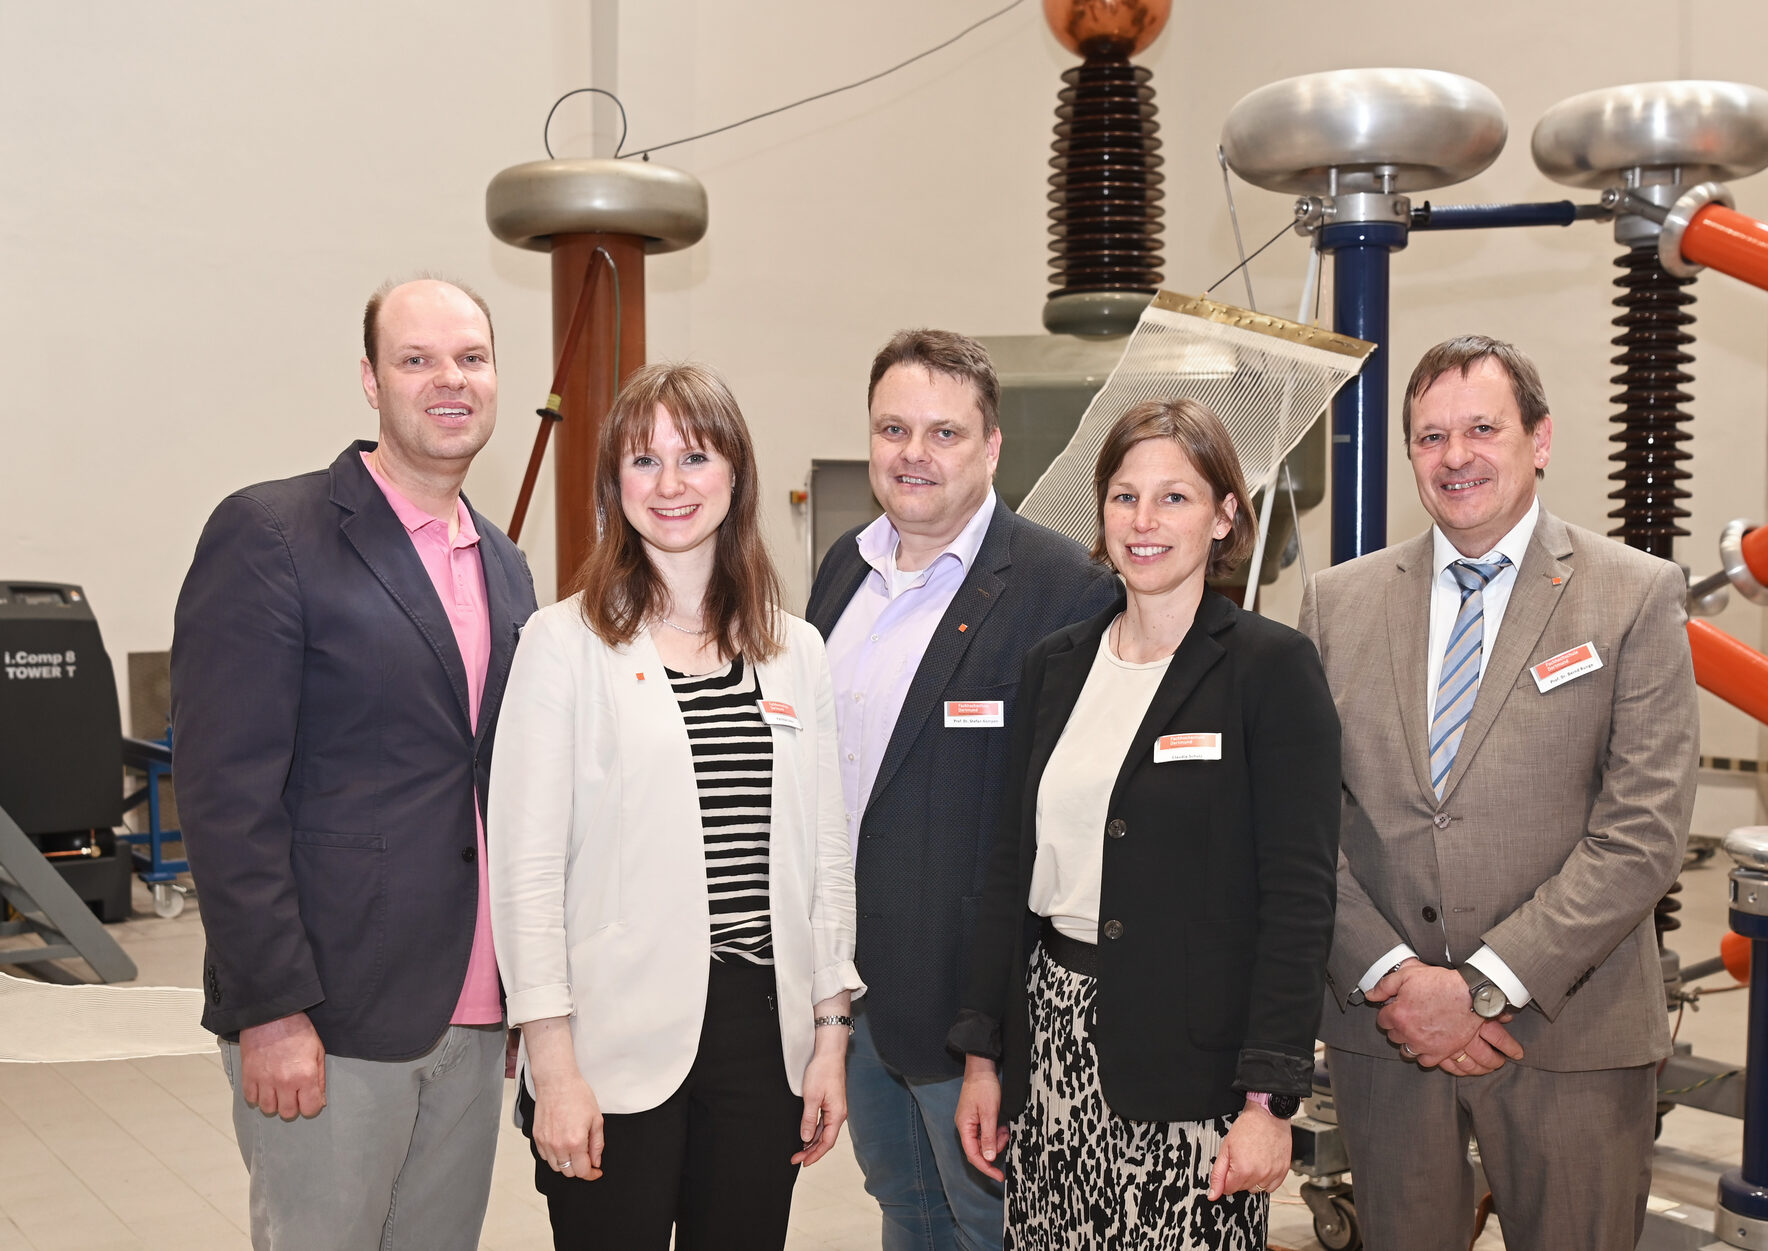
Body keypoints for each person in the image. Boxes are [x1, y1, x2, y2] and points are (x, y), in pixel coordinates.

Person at [1298, 335, 1699, 1251]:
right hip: (1389, 1031)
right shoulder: (1337, 602)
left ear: (1540, 439)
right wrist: (1395, 978)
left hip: (1572, 1032)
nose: (1456, 456)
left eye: (1483, 428)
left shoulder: (1634, 595)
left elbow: (1642, 833)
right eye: (1431, 436)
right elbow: (1305, 824)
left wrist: (1478, 989)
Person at [171, 277, 539, 1251]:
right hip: (328, 1017)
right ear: (372, 381)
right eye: (417, 359)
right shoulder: (273, 535)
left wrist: (520, 992)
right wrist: (272, 1008)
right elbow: (224, 794)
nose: (449, 379)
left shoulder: (505, 566)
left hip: (472, 1014)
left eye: (471, 358)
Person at [950, 397, 1342, 1249]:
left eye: (1175, 497)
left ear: (1225, 514)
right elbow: (1008, 869)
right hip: (1052, 1046)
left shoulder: (1270, 669)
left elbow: (1299, 901)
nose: (1144, 520)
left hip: (1195, 1074)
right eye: (1125, 496)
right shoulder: (1054, 667)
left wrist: (1269, 1101)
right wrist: (985, 1055)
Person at [489, 361, 862, 1250]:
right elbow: (526, 874)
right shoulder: (561, 644)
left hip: (761, 1038)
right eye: (643, 460)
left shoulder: (795, 649)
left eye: (694, 456)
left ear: (735, 473)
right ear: (614, 484)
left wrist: (829, 1037)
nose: (670, 484)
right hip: (610, 1041)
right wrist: (554, 1066)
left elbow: (825, 858)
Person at [806, 329, 1117, 1251]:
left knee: (994, 1226)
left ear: (991, 447)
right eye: (893, 428)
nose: (915, 453)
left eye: (945, 432)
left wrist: (1002, 1027)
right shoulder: (843, 568)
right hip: (854, 994)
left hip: (972, 1006)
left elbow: (1076, 821)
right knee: (906, 1210)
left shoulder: (1066, 588)